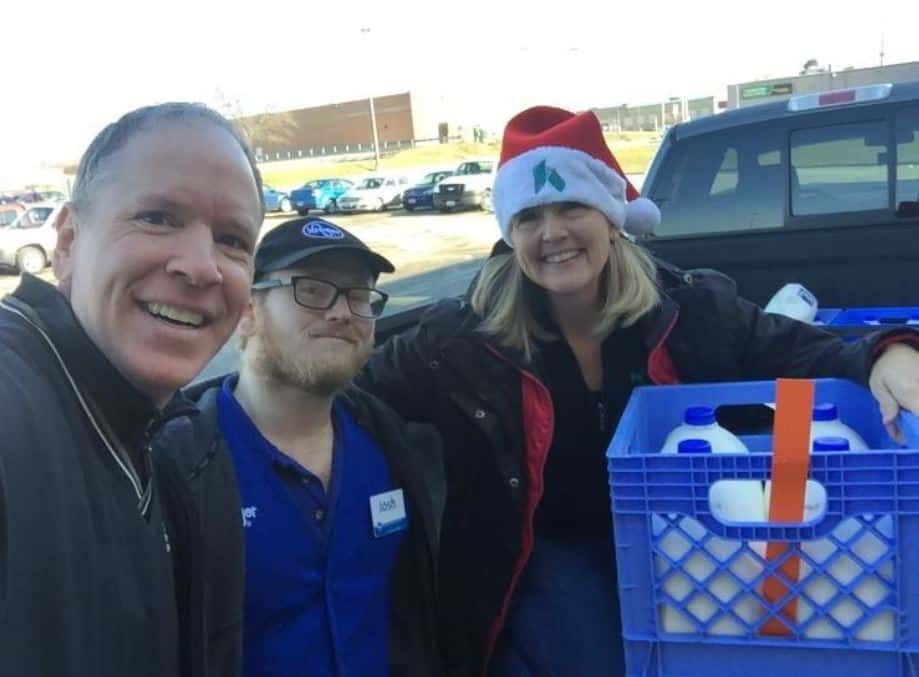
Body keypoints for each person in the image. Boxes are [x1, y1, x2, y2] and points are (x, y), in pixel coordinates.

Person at [359, 106, 919, 676]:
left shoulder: (689, 309)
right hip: (550, 552)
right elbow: (357, 390)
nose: (552, 233)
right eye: (529, 217)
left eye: (571, 206)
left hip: (691, 536)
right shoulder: (459, 340)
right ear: (510, 232)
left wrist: (887, 352)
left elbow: (802, 349)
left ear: (610, 217)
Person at [0, 102, 264, 677]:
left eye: (232, 239)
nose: (201, 267)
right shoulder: (15, 400)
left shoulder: (158, 440)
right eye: (158, 218)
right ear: (68, 242)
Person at [161, 217, 446, 677]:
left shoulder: (389, 445)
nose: (341, 312)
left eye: (358, 295)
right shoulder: (179, 469)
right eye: (312, 291)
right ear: (247, 312)